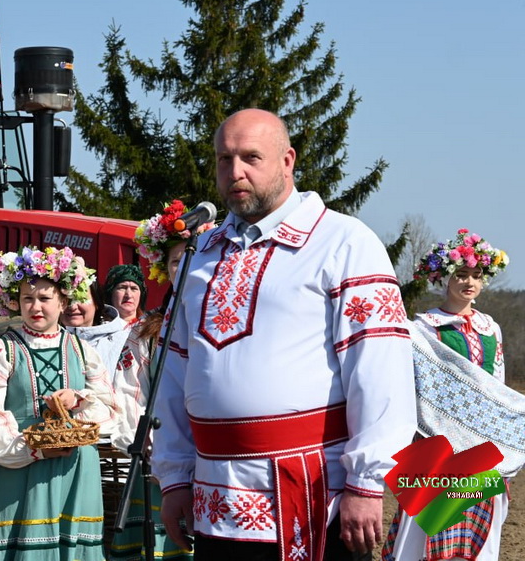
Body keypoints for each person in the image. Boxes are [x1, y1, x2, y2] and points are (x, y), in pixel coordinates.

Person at [152, 109, 417, 561]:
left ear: (287, 160)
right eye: (224, 159)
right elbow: (172, 374)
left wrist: (366, 483)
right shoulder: (200, 255)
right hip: (215, 498)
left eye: (251, 157)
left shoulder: (343, 242)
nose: (235, 171)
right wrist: (174, 478)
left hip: (315, 496)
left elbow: (380, 369)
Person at [0, 245, 116, 561]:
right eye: (27, 298)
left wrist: (77, 399)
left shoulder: (81, 349)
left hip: (76, 465)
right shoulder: (3, 350)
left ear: (63, 301)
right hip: (22, 465)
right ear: (15, 302)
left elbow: (109, 406)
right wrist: (33, 449)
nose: (35, 306)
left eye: (44, 298)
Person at [382, 229, 511, 561]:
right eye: (461, 274)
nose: (469, 282)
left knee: (480, 513)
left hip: (482, 436)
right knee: (430, 516)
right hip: (438, 436)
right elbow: (417, 382)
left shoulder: (490, 327)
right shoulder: (424, 327)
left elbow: (498, 383)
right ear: (444, 277)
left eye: (476, 276)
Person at [105, 200, 216, 561]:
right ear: (164, 269)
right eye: (175, 261)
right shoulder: (146, 329)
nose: (184, 267)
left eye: (192, 258)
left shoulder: (223, 321)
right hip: (163, 457)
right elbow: (128, 390)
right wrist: (151, 444)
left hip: (215, 454)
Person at [61, 281, 127, 382]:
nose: (73, 307)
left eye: (81, 298)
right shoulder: (43, 340)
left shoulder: (124, 337)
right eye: (66, 299)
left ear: (96, 302)